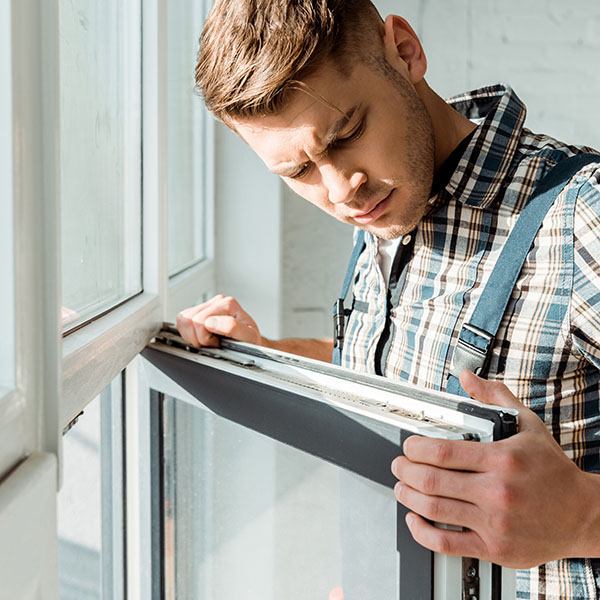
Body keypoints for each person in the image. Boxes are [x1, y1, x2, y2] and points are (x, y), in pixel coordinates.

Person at [176, 0, 600, 597]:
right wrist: (270, 355)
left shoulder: (583, 220)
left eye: (348, 133)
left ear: (404, 51)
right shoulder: (383, 210)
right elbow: (404, 371)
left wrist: (585, 516)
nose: (339, 189)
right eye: (298, 172)